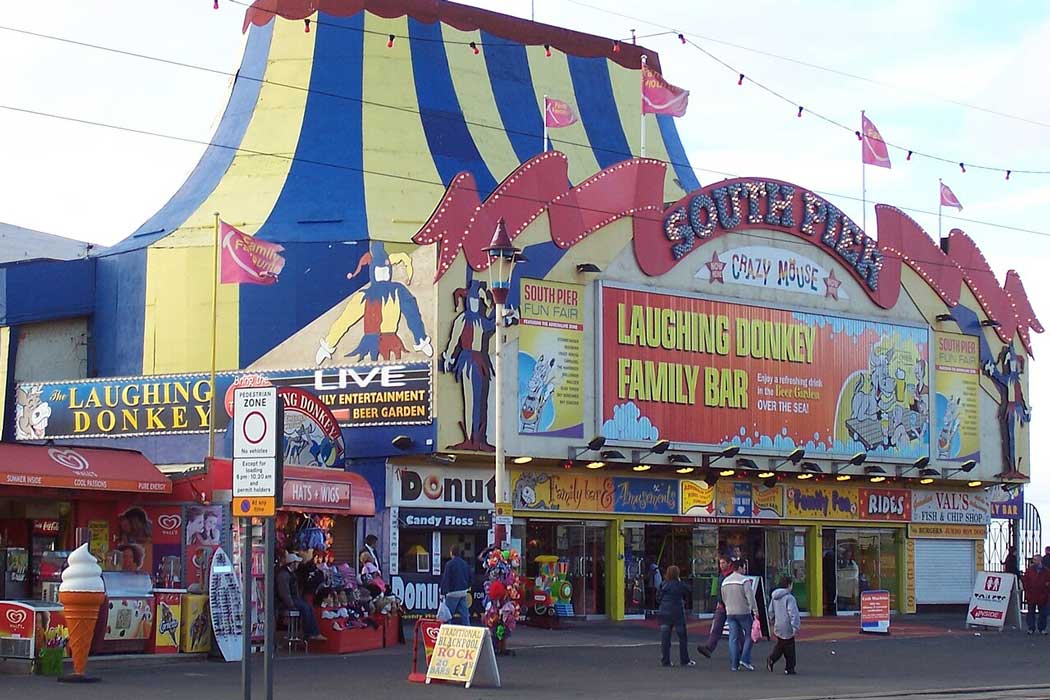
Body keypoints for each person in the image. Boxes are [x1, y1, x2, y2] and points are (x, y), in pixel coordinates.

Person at [276, 552, 326, 642]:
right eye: (297, 563)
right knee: (305, 607)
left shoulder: (291, 574)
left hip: (294, 598)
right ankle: (310, 633)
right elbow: (285, 593)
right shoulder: (284, 575)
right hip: (288, 600)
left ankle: (314, 633)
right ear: (292, 563)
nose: (298, 564)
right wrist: (291, 605)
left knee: (309, 607)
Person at [721, 559, 757, 671]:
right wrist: (755, 610)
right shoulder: (744, 581)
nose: (745, 569)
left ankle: (734, 665)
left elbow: (723, 597)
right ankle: (745, 658)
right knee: (750, 635)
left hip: (730, 612)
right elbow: (750, 597)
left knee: (733, 638)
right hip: (743, 612)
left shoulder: (725, 581)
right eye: (744, 567)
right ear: (740, 568)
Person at [697, 555, 735, 659]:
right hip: (722, 605)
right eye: (720, 563)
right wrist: (718, 601)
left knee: (736, 630)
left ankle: (739, 652)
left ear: (729, 563)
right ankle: (709, 647)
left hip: (731, 605)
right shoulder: (721, 575)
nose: (721, 565)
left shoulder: (732, 575)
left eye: (723, 563)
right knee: (716, 628)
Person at [658, 565, 694, 667]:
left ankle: (665, 660)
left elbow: (658, 597)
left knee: (665, 638)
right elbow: (688, 590)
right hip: (678, 612)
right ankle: (684, 660)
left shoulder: (663, 584)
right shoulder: (680, 585)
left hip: (665, 612)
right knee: (682, 637)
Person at [766, 576, 801, 675]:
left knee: (782, 643)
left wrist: (772, 620)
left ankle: (775, 660)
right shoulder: (789, 598)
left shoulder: (774, 597)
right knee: (789, 646)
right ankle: (787, 666)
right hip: (787, 625)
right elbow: (793, 612)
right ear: (789, 585)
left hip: (778, 623)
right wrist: (795, 625)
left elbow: (770, 610)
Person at [440, 545, 473, 625]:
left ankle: (447, 632)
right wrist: (468, 586)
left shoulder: (449, 564)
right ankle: (468, 631)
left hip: (452, 593)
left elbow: (446, 579)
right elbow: (470, 577)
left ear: (451, 553)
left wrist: (442, 592)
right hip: (463, 592)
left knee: (448, 615)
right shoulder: (465, 563)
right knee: (465, 615)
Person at [1022, 554, 1050, 635]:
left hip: (1042, 595)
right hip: (1032, 594)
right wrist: (1027, 590)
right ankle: (1031, 628)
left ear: (1040, 560)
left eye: (1035, 560)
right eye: (1033, 560)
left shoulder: (1046, 571)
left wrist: (1046, 589)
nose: (1033, 561)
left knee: (1043, 613)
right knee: (1031, 612)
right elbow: (1025, 581)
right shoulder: (1030, 570)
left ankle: (1042, 628)